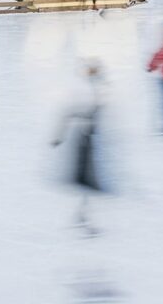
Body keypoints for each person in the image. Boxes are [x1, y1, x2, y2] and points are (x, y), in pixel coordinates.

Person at [53, 61, 108, 234]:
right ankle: (84, 217)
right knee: (88, 182)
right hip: (84, 142)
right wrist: (60, 136)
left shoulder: (96, 89)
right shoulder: (86, 92)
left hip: (89, 141)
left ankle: (83, 215)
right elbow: (71, 113)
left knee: (88, 183)